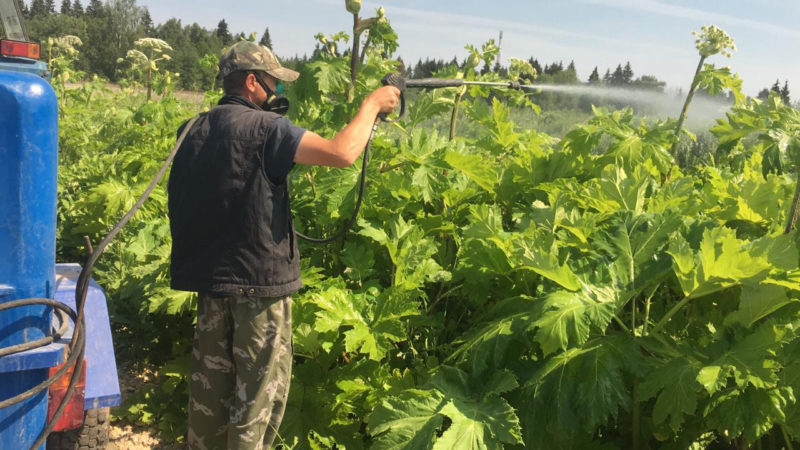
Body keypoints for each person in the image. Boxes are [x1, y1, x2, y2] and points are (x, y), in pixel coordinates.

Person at [166, 41, 400, 450]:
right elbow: (342, 153)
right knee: (256, 404)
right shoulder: (267, 130)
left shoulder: (191, 129)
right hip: (259, 289)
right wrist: (371, 106)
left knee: (208, 401)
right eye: (272, 83)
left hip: (211, 286)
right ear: (252, 82)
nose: (276, 92)